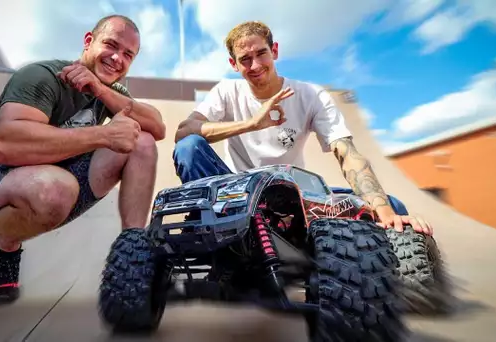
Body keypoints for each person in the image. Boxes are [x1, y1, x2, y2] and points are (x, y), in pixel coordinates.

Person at [0, 14, 166, 304]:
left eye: (128, 54)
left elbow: (157, 127)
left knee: (140, 141)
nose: (117, 58)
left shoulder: (108, 91)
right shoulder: (43, 76)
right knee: (56, 189)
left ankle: (133, 251)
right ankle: (5, 246)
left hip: (63, 176)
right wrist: (103, 136)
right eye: (111, 45)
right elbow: (6, 145)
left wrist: (101, 90)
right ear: (88, 41)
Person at [173, 20, 433, 236]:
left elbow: (346, 151)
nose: (255, 65)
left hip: (289, 195)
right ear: (234, 64)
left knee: (393, 205)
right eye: (245, 59)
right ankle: (217, 228)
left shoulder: (310, 94)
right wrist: (251, 124)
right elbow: (184, 132)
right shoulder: (227, 91)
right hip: (236, 194)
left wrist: (385, 214)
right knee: (189, 147)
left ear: (274, 50)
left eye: (261, 53)